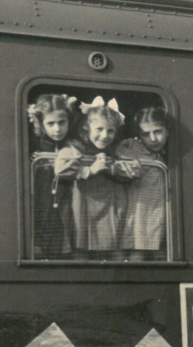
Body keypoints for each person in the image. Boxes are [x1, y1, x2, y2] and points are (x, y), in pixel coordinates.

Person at [55, 97, 142, 257]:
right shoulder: (76, 147)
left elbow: (136, 169)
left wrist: (110, 168)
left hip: (111, 211)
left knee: (114, 255)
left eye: (110, 130)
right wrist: (90, 169)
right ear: (87, 128)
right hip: (84, 212)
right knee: (81, 256)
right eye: (99, 129)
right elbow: (60, 169)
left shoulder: (118, 149)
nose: (104, 135)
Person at [28, 94, 78, 259]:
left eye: (62, 122)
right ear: (40, 124)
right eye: (50, 123)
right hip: (43, 205)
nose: (57, 129)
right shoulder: (35, 147)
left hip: (66, 206)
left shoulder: (73, 146)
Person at [116, 107, 170, 260]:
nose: (153, 139)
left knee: (164, 258)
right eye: (146, 134)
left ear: (168, 130)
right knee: (137, 257)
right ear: (139, 135)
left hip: (162, 219)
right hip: (140, 220)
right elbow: (119, 151)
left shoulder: (169, 153)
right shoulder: (133, 148)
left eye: (157, 131)